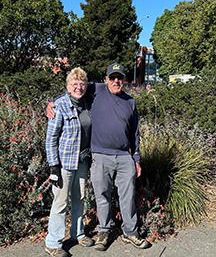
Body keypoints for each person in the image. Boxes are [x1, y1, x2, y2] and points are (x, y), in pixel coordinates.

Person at [47, 62, 151, 251]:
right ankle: (104, 231)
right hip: (99, 156)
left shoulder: (130, 102)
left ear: (124, 80)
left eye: (119, 78)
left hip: (123, 157)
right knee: (101, 196)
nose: (116, 81)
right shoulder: (98, 91)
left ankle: (131, 233)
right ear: (106, 79)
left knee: (126, 196)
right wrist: (51, 102)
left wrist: (136, 158)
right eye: (112, 77)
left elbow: (135, 133)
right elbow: (74, 88)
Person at [44, 67, 95, 257]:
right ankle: (53, 243)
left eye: (82, 83)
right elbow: (51, 139)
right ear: (68, 86)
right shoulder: (59, 106)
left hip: (82, 160)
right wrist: (53, 166)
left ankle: (78, 233)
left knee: (79, 199)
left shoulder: (88, 103)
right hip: (64, 163)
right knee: (60, 203)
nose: (79, 87)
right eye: (75, 84)